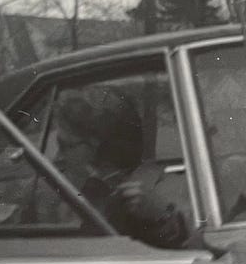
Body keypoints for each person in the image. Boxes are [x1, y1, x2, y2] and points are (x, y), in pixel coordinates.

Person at [51, 88, 190, 250]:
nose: (56, 158)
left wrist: (162, 215)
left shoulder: (151, 192)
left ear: (95, 145)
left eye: (66, 146)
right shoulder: (72, 189)